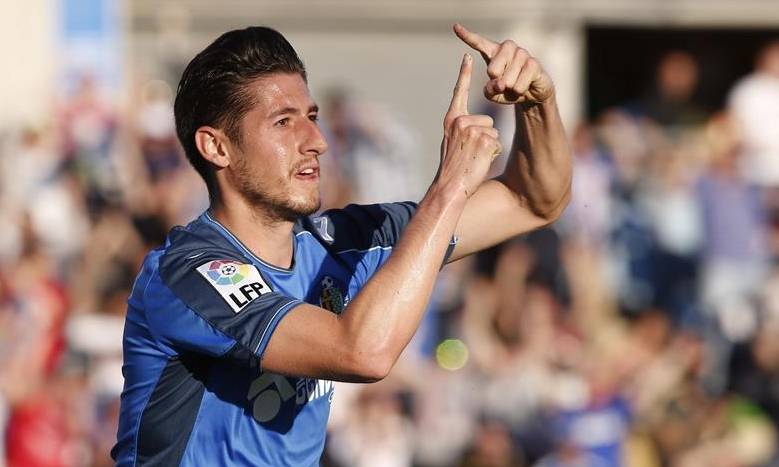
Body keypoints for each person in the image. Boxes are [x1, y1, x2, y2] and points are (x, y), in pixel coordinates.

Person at [111, 24, 571, 466]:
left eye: (312, 118)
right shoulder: (189, 273)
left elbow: (533, 200)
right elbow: (363, 352)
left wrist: (537, 103)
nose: (316, 141)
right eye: (283, 122)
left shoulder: (343, 242)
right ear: (217, 147)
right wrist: (449, 189)